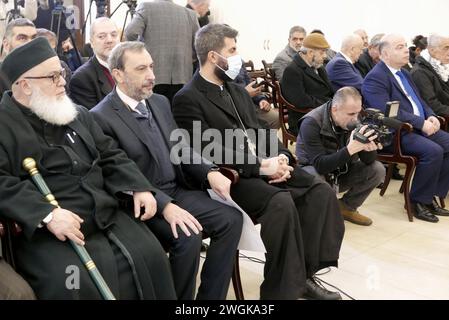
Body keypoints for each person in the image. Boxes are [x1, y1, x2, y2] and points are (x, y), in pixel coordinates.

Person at [173, 23, 345, 300]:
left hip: (263, 165)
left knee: (320, 191)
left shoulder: (237, 90)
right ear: (213, 56)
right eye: (232, 50)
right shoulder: (187, 98)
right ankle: (280, 290)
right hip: (230, 177)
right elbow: (208, 149)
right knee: (281, 203)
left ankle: (304, 276)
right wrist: (262, 167)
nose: (237, 56)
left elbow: (260, 131)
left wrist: (281, 156)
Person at [0, 37, 176, 299]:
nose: (63, 82)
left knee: (152, 257)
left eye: (62, 73)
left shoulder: (77, 113)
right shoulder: (4, 124)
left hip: (106, 215)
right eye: (53, 77)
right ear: (25, 86)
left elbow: (110, 155)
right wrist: (47, 215)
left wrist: (138, 187)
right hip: (52, 231)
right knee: (72, 282)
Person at [91, 41, 243, 300]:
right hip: (141, 202)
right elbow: (115, 171)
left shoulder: (159, 102)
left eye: (151, 66)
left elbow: (180, 146)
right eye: (141, 69)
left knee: (231, 220)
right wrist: (165, 205)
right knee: (188, 236)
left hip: (176, 189)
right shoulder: (101, 116)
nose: (151, 75)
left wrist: (209, 171)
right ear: (118, 74)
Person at [362, 34, 449, 223]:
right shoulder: (375, 78)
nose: (405, 50)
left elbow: (420, 101)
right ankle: (416, 201)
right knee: (434, 151)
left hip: (415, 128)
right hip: (396, 133)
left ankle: (431, 196)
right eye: (399, 47)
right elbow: (389, 114)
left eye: (405, 46)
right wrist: (420, 123)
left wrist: (431, 115)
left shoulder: (404, 72)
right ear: (385, 53)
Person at [296, 87, 385, 226]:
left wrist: (368, 148)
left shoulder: (355, 117)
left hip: (340, 171)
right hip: (314, 172)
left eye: (357, 112)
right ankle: (320, 214)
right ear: (335, 109)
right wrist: (350, 149)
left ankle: (346, 207)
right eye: (350, 114)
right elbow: (320, 165)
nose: (355, 119)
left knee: (377, 169)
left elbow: (368, 161)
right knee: (317, 179)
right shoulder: (311, 122)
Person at [125, 0, 200, 103]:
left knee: (155, 115)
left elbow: (131, 33)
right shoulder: (190, 14)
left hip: (153, 75)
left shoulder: (146, 7)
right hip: (183, 77)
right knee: (179, 115)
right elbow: (199, 45)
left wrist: (141, 52)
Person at [281, 32, 334, 136]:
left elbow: (329, 90)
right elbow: (301, 101)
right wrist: (329, 105)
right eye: (322, 52)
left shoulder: (319, 66)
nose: (325, 56)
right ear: (310, 53)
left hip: (322, 114)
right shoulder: (292, 70)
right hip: (304, 119)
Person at [69, 17, 119, 109]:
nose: (109, 40)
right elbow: (94, 120)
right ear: (92, 42)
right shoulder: (82, 79)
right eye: (101, 36)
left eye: (114, 35)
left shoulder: (129, 67)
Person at [411, 34, 449, 116]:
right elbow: (431, 105)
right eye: (446, 48)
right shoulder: (420, 72)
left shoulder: (442, 66)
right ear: (432, 50)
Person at [234, 64, 280, 129]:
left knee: (275, 118)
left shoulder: (239, 62)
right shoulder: (218, 70)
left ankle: (268, 138)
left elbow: (251, 85)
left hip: (250, 105)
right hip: (234, 110)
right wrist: (244, 94)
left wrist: (261, 100)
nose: (236, 54)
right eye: (231, 52)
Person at [0, 18, 36, 95]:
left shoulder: (45, 71)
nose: (31, 43)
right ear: (6, 45)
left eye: (34, 38)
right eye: (22, 38)